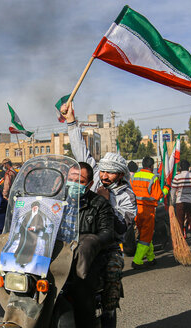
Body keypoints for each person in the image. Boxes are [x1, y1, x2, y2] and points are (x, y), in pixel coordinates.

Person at [62, 102, 136, 314]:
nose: (104, 176)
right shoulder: (94, 177)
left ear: (120, 175)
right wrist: (71, 121)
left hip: (107, 246)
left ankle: (106, 322)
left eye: (110, 173)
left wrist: (106, 202)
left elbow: (122, 228)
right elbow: (80, 152)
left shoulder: (127, 196)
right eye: (102, 171)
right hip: (77, 238)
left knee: (111, 277)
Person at [66, 162, 115, 328]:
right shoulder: (57, 201)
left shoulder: (99, 204)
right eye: (70, 180)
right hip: (59, 256)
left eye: (80, 181)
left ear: (89, 183)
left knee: (81, 287)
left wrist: (91, 241)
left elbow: (107, 233)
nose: (73, 184)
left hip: (89, 258)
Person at [130, 156, 163, 269]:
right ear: (151, 166)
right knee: (145, 236)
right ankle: (137, 260)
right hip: (148, 211)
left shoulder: (135, 176)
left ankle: (151, 258)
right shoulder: (153, 178)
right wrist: (166, 189)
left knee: (145, 234)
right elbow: (158, 195)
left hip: (137, 210)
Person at [170, 159, 191, 245]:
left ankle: (181, 239)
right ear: (189, 167)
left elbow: (173, 191)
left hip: (180, 201)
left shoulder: (177, 177)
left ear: (181, 168)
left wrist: (173, 201)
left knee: (180, 221)